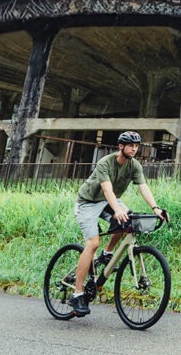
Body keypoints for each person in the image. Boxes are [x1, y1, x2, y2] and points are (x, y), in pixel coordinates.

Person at [69, 130, 167, 316]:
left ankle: (107, 253)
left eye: (136, 146)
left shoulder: (134, 165)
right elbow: (107, 190)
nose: (134, 149)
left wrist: (156, 208)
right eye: (130, 146)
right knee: (92, 243)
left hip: (108, 201)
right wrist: (117, 209)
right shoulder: (105, 163)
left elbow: (143, 187)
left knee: (127, 223)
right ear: (121, 146)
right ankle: (77, 294)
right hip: (88, 203)